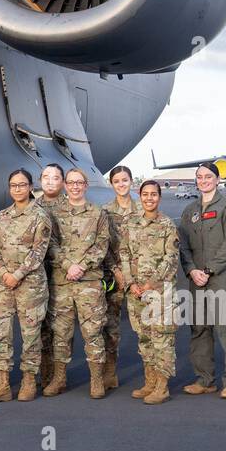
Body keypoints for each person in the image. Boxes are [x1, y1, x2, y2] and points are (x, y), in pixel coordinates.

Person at [0, 169, 50, 404]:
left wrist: (17, 274)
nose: (17, 189)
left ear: (30, 187)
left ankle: (29, 381)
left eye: (22, 185)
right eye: (13, 185)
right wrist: (4, 273)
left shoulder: (40, 215)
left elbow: (39, 251)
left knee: (30, 334)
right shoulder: (3, 215)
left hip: (30, 284)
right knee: (1, 334)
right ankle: (2, 384)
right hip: (4, 284)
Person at [178, 164, 226, 398]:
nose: (204, 180)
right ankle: (205, 379)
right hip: (196, 279)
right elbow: (183, 246)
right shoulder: (190, 211)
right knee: (199, 329)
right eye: (200, 177)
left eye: (208, 177)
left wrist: (209, 269)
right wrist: (191, 270)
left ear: (217, 180)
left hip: (220, 278)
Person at [43, 168, 110, 399]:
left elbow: (102, 246)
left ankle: (97, 380)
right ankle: (60, 378)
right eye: (71, 183)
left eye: (79, 183)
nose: (74, 186)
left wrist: (81, 266)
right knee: (60, 334)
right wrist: (67, 265)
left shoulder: (97, 213)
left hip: (89, 282)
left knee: (93, 332)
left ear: (86, 186)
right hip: (62, 282)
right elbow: (50, 244)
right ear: (65, 185)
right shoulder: (54, 214)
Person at [120, 180, 179, 405]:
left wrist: (150, 284)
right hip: (135, 292)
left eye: (154, 194)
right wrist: (131, 283)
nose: (149, 198)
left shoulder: (167, 225)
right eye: (145, 194)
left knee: (162, 338)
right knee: (144, 337)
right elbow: (124, 253)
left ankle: (162, 387)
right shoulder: (130, 223)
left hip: (160, 292)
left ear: (159, 198)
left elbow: (170, 259)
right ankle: (150, 381)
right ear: (139, 196)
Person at [100, 165, 136, 389]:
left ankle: (154, 377)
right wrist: (117, 271)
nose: (121, 184)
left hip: (139, 276)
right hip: (114, 277)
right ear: (111, 184)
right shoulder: (105, 212)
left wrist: (132, 276)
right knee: (110, 328)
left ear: (131, 181)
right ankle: (109, 373)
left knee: (144, 327)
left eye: (125, 180)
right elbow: (104, 246)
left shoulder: (142, 207)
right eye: (117, 181)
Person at [35, 162, 66, 386]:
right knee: (42, 328)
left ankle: (60, 376)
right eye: (46, 177)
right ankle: (46, 374)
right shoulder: (32, 207)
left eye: (55, 177)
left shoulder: (72, 206)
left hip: (63, 277)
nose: (50, 181)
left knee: (62, 329)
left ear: (63, 182)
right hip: (37, 277)